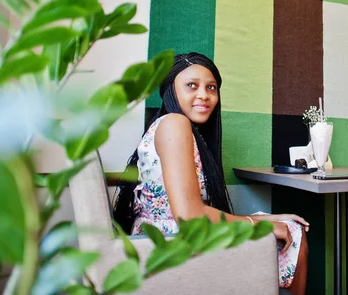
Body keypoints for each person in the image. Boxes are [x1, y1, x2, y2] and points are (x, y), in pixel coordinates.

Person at [113, 52, 309, 293]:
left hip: (170, 235)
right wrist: (261, 226)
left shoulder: (173, 127)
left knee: (289, 225)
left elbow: (192, 210)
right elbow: (188, 216)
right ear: (171, 92)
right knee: (294, 235)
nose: (204, 95)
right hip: (171, 244)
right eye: (191, 86)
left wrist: (266, 218)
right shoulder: (174, 123)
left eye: (211, 87)